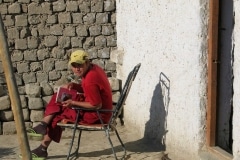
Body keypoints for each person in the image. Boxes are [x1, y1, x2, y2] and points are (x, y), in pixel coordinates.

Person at [26, 50, 113, 159]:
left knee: (58, 115)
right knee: (60, 94)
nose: (77, 69)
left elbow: (96, 105)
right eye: (74, 65)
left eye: (80, 65)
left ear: (86, 62)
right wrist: (74, 86)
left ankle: (42, 146)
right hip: (99, 109)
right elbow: (91, 90)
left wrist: (73, 103)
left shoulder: (91, 78)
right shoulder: (94, 68)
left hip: (98, 115)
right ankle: (43, 126)